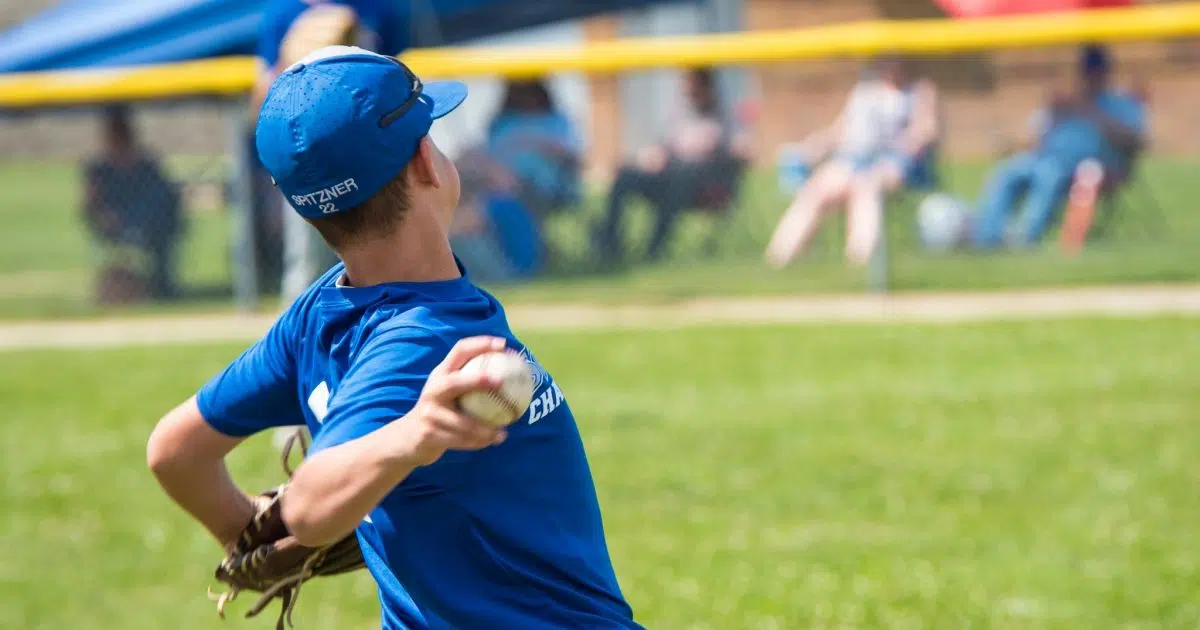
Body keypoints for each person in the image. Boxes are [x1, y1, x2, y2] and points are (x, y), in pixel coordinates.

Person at [146, 46, 641, 629]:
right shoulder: (431, 336)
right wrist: (414, 434)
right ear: (427, 162)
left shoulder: (321, 312)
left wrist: (245, 528)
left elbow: (175, 451)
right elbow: (308, 509)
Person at [253, 1, 407, 304]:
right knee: (308, 259)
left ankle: (385, 328)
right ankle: (299, 337)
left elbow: (398, 79)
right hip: (311, 159)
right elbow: (261, 99)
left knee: (385, 247)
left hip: (372, 154)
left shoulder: (381, 9)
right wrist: (289, 61)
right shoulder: (283, 12)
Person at [765, 55, 940, 267]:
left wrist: (906, 143)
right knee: (817, 189)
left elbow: (926, 131)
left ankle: (859, 262)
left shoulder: (919, 91)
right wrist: (812, 147)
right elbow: (839, 131)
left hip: (896, 162)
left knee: (866, 187)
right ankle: (779, 260)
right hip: (854, 159)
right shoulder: (865, 92)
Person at [971, 44, 1146, 248]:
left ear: (1106, 72)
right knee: (1006, 172)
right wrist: (1052, 111)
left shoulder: (1120, 103)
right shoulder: (1066, 101)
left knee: (1049, 173)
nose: (1091, 76)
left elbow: (1136, 141)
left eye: (1096, 70)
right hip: (1044, 158)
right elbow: (1034, 138)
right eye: (1087, 71)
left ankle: (1024, 239)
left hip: (1092, 168)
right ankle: (986, 238)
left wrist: (1092, 112)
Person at [597, 67, 749, 263]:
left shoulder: (726, 115)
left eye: (694, 84)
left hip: (703, 184)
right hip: (668, 174)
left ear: (707, 86)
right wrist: (653, 155)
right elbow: (662, 145)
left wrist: (718, 149)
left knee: (681, 178)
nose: (688, 90)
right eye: (686, 84)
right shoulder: (679, 112)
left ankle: (654, 249)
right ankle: (610, 244)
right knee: (626, 175)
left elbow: (742, 150)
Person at [82, 107, 183, 303]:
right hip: (115, 226)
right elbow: (89, 204)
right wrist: (102, 216)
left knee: (163, 235)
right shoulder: (99, 169)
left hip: (151, 224)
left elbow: (166, 197)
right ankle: (122, 290)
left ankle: (161, 287)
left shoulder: (147, 165)